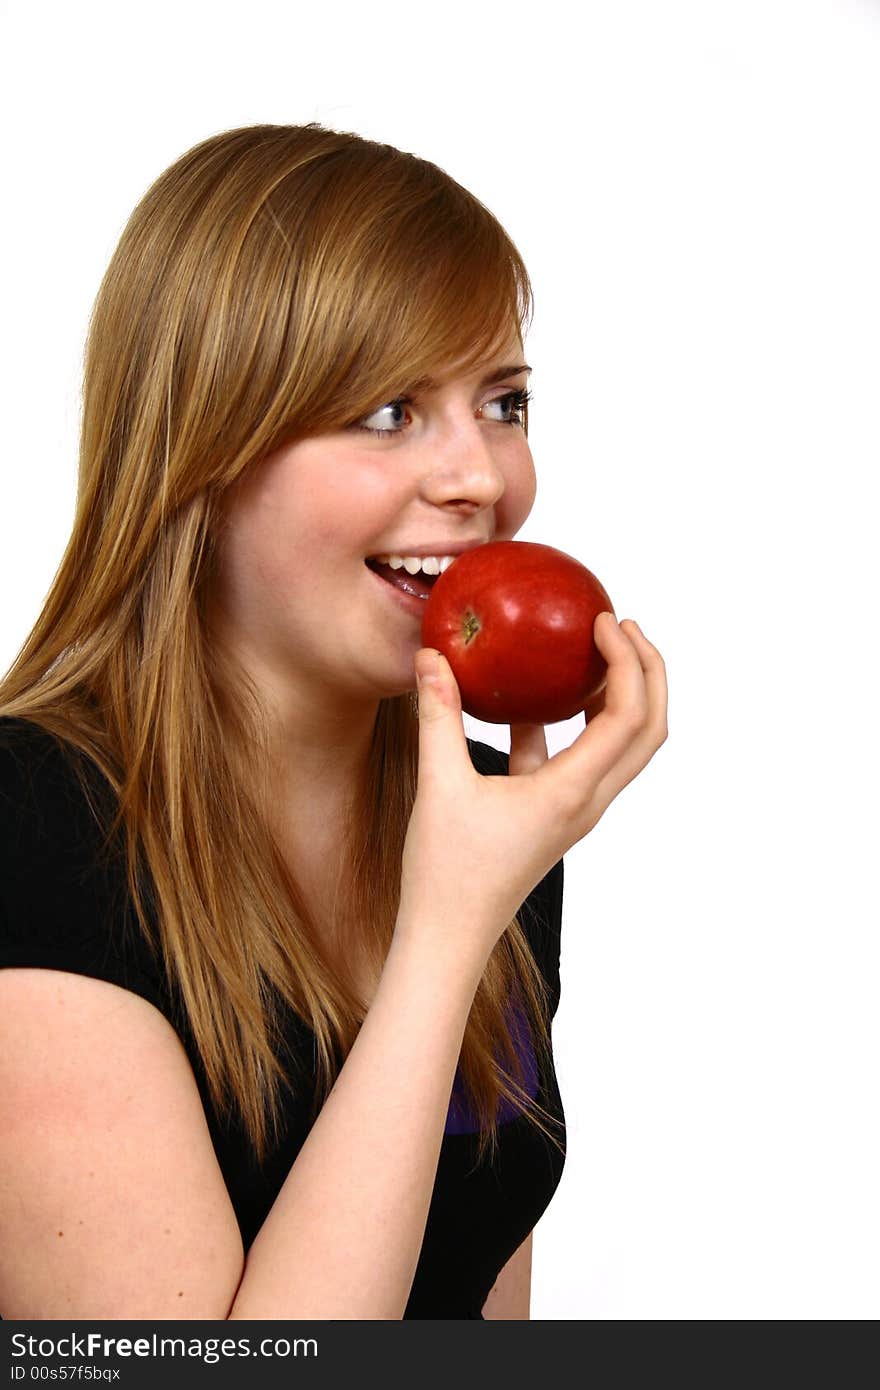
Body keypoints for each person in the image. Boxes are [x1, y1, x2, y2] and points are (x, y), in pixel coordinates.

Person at [0, 123, 668, 1321]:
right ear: (204, 448)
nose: (482, 479)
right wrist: (444, 929)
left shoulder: (476, 820)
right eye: (386, 411)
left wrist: (475, 899)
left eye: (502, 402)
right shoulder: (26, 827)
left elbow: (473, 1298)